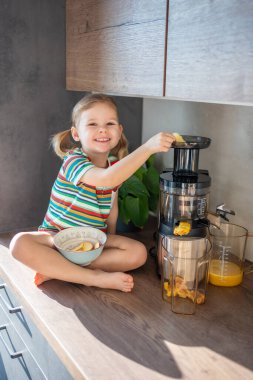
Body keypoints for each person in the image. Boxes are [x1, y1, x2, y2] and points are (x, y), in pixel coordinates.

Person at [10, 93, 175, 292]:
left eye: (110, 123)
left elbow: (111, 206)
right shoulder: (74, 161)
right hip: (57, 238)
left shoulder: (114, 165)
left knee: (138, 253)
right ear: (76, 133)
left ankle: (58, 269)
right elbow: (107, 179)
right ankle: (92, 277)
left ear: (119, 130)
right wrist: (148, 148)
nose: (103, 129)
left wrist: (109, 238)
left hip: (94, 240)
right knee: (19, 244)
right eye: (92, 124)